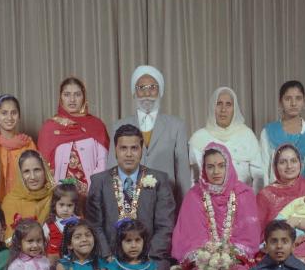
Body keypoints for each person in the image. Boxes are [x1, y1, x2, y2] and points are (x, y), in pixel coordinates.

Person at [87, 124, 175, 270]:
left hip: (149, 255)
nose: (129, 154)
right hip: (110, 254)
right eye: (123, 148)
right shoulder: (99, 181)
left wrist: (148, 256)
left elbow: (165, 225)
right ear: (115, 150)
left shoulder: (158, 179)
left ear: (142, 150)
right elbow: (94, 225)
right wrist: (108, 255)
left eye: (134, 148)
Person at [109, 65, 191, 205]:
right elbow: (111, 167)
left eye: (153, 87)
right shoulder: (118, 126)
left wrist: (184, 208)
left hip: (165, 203)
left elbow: (183, 174)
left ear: (160, 91)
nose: (147, 93)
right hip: (128, 202)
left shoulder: (176, 126)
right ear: (134, 93)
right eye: (141, 88)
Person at [37, 76, 109, 200]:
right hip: (60, 197)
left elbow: (103, 161)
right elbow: (43, 165)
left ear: (84, 97)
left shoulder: (96, 125)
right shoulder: (49, 128)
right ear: (60, 98)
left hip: (93, 194)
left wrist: (93, 188)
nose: (72, 99)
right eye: (67, 94)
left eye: (77, 94)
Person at [256, 144, 305, 268]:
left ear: (300, 163)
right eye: (283, 162)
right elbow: (259, 232)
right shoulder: (266, 194)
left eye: (293, 161)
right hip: (276, 252)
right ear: (275, 166)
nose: (289, 166)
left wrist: (296, 221)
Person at [189, 86, 264, 191]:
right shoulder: (199, 138)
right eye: (218, 104)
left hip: (243, 198)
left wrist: (253, 201)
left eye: (228, 104)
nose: (223, 110)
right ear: (212, 107)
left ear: (235, 109)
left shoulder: (247, 135)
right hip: (208, 201)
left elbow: (259, 175)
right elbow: (193, 180)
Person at [259, 80, 305, 186]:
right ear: (280, 102)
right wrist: (268, 196)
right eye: (288, 99)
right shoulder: (268, 132)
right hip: (278, 194)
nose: (293, 103)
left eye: (298, 98)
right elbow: (263, 168)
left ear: (304, 102)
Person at [1, 150, 55, 241]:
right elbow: (10, 240)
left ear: (45, 170)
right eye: (26, 172)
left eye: (37, 170)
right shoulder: (10, 202)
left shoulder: (56, 195)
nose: (33, 177)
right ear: (20, 175)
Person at [0, 94, 37, 204]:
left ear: (19, 116)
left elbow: (37, 175)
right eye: (4, 113)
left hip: (24, 202)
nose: (10, 118)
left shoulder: (27, 143)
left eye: (14, 113)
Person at [43, 180, 80, 263]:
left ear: (75, 206)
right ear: (54, 204)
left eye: (69, 205)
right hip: (53, 263)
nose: (65, 209)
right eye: (61, 205)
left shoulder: (79, 223)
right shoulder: (48, 225)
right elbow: (42, 244)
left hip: (74, 262)